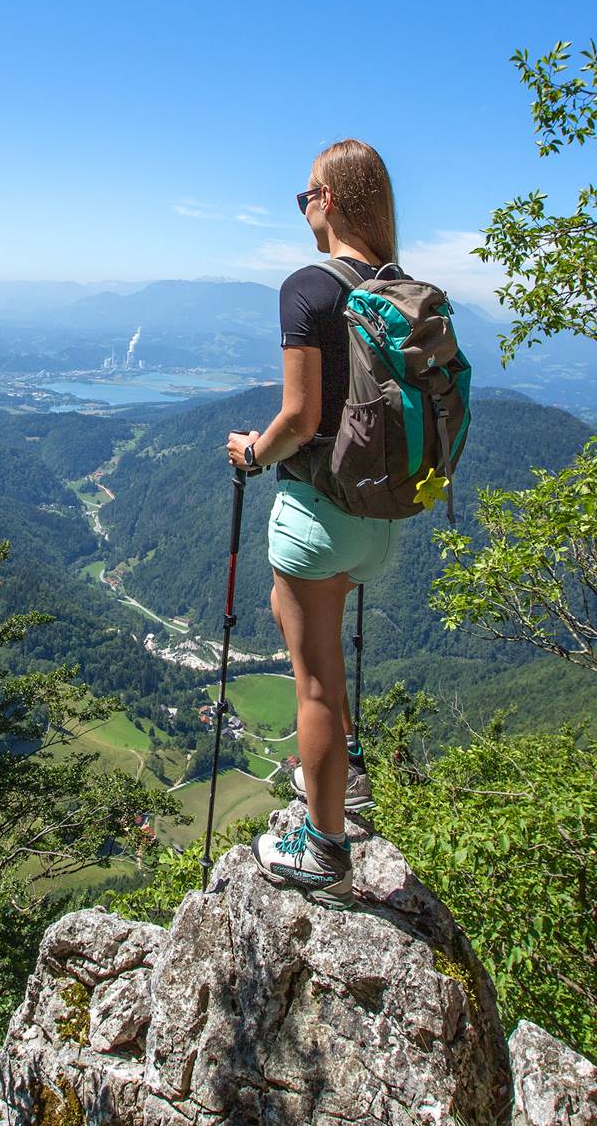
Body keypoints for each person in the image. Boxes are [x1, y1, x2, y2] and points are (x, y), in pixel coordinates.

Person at [225, 138, 404, 909]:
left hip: (317, 513)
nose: (303, 210)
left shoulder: (309, 287)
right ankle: (347, 771)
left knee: (315, 680)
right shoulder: (398, 290)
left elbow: (300, 418)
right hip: (381, 516)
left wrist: (252, 451)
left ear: (329, 200)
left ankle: (323, 848)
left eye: (305, 197)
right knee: (311, 641)